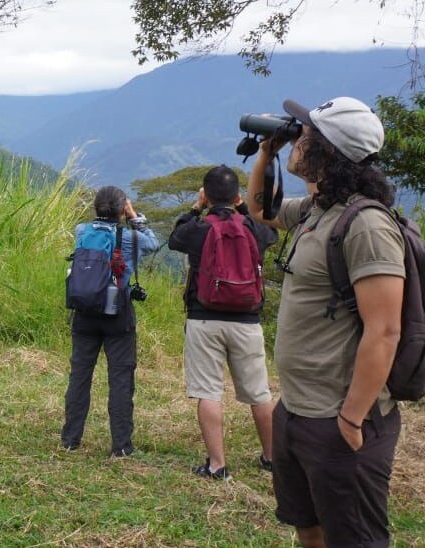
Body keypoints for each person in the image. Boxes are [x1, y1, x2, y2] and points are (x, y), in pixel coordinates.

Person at [247, 97, 405, 548]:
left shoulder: (366, 226)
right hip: (296, 409)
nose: (299, 136)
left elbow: (385, 330)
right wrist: (265, 155)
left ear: (329, 150)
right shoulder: (318, 210)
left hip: (338, 417)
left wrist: (352, 419)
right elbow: (260, 211)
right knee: (308, 527)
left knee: (353, 539)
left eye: (308, 133)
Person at [168, 165, 277, 480]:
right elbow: (271, 234)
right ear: (237, 196)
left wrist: (194, 209)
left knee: (208, 392)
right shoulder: (253, 229)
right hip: (247, 321)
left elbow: (175, 238)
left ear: (205, 195)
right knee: (259, 393)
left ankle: (217, 466)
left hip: (204, 319)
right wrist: (244, 208)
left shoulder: (198, 229)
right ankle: (271, 458)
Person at [61, 186, 160, 457]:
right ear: (121, 209)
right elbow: (152, 243)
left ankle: (70, 440)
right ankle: (121, 447)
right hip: (118, 314)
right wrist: (133, 215)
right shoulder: (128, 238)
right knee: (120, 379)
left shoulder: (82, 231)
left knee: (80, 375)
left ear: (95, 208)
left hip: (84, 312)